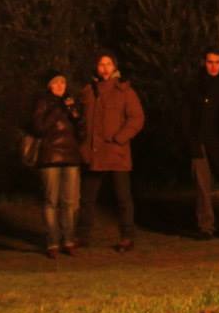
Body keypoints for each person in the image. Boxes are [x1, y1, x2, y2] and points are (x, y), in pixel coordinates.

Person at [77, 54, 143, 252]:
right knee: (87, 198)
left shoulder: (124, 91)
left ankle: (127, 237)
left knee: (123, 197)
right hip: (93, 153)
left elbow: (137, 118)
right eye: (101, 64)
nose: (104, 68)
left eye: (108, 64)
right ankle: (82, 236)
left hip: (116, 152)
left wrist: (120, 138)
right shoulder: (88, 91)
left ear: (114, 67)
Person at [31, 72, 84, 257]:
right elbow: (39, 128)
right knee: (51, 201)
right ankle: (52, 242)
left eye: (63, 82)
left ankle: (68, 240)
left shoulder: (71, 102)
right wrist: (57, 109)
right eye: (56, 83)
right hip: (50, 157)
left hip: (71, 157)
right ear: (49, 86)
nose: (61, 86)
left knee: (69, 202)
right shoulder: (43, 102)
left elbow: (81, 132)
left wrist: (75, 115)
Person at [185, 51, 219, 239]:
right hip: (200, 143)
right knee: (202, 187)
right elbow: (186, 116)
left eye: (217, 62)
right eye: (210, 62)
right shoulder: (194, 85)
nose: (213, 66)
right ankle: (206, 226)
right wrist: (191, 142)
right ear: (204, 63)